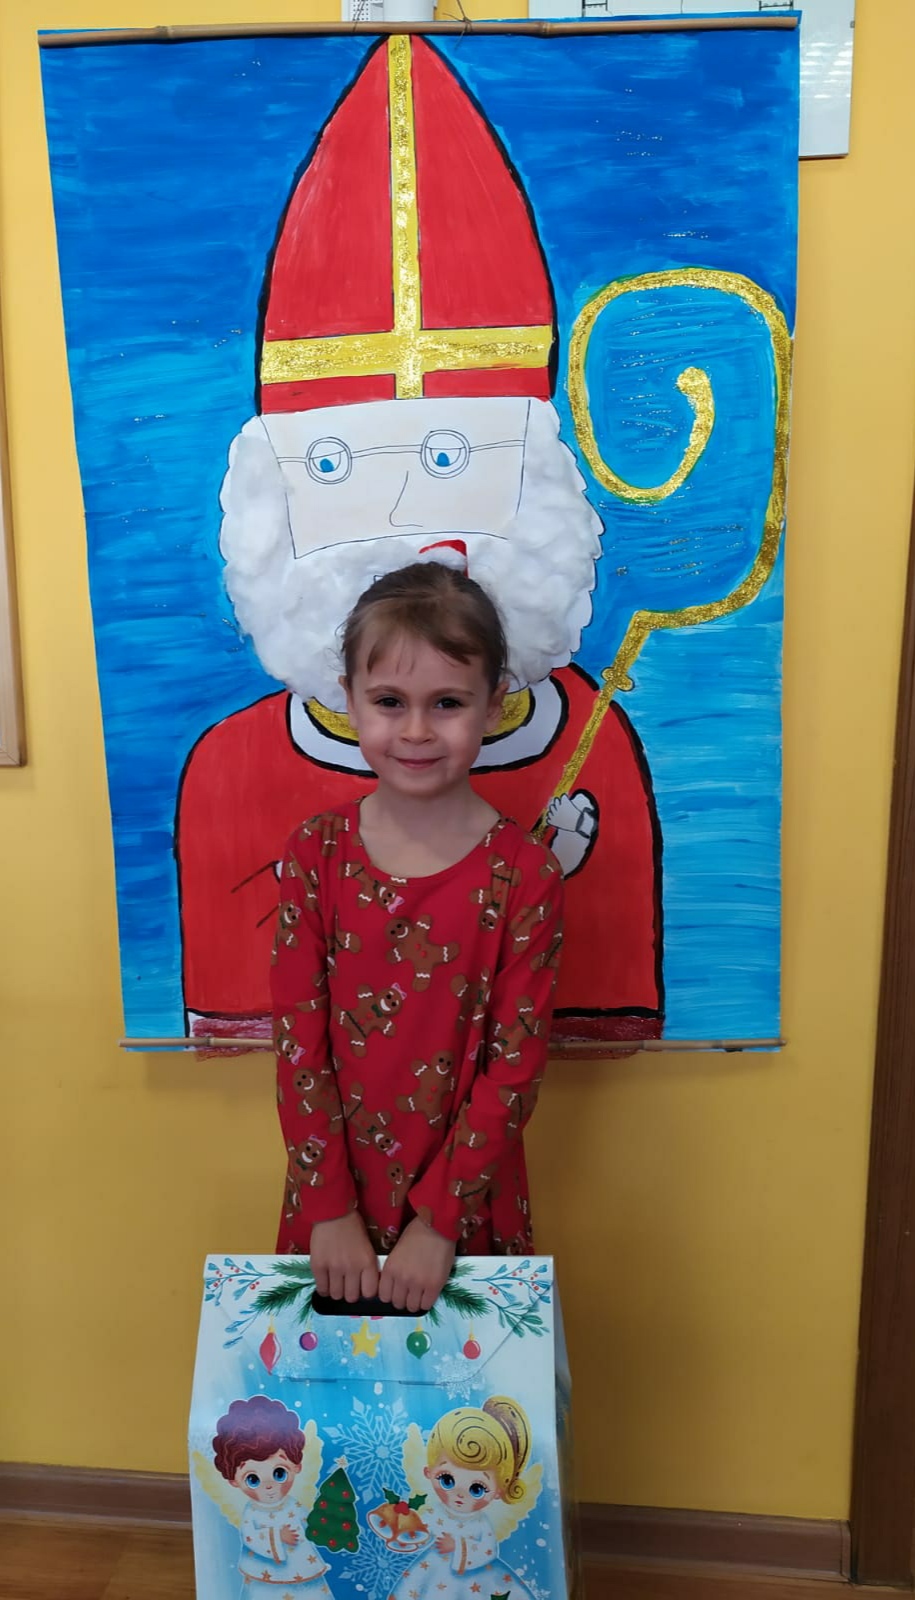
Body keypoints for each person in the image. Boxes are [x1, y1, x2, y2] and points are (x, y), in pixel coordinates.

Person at [177, 34, 661, 1052]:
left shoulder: (591, 744)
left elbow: (588, 1021)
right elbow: (257, 1030)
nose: (398, 509)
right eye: (337, 465)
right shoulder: (230, 770)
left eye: (449, 459)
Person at [270, 561, 563, 1310]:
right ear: (349, 700)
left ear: (495, 704)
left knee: (468, 1388)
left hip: (465, 1212)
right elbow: (299, 1045)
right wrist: (328, 1209)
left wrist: (438, 1223)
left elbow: (515, 1067)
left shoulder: (524, 874)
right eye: (389, 701)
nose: (416, 731)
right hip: (332, 1206)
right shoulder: (316, 854)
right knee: (323, 1383)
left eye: (448, 703)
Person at [384, 1396, 540, 1600]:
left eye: (477, 1488)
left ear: (497, 1492)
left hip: (477, 1579)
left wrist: (458, 1546)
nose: (459, 1494)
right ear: (428, 1472)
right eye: (447, 1480)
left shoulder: (481, 1524)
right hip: (432, 1569)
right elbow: (421, 1530)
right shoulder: (435, 1511)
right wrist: (404, 1526)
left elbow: (488, 1551)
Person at [211, 1396, 335, 1598]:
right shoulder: (252, 1511)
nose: (269, 1485)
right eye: (253, 1479)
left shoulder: (293, 1504)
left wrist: (321, 1527)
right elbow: (249, 1537)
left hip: (302, 1565)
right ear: (234, 1481)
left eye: (279, 1473)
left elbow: (308, 1522)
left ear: (296, 1467)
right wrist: (277, 1537)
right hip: (266, 1572)